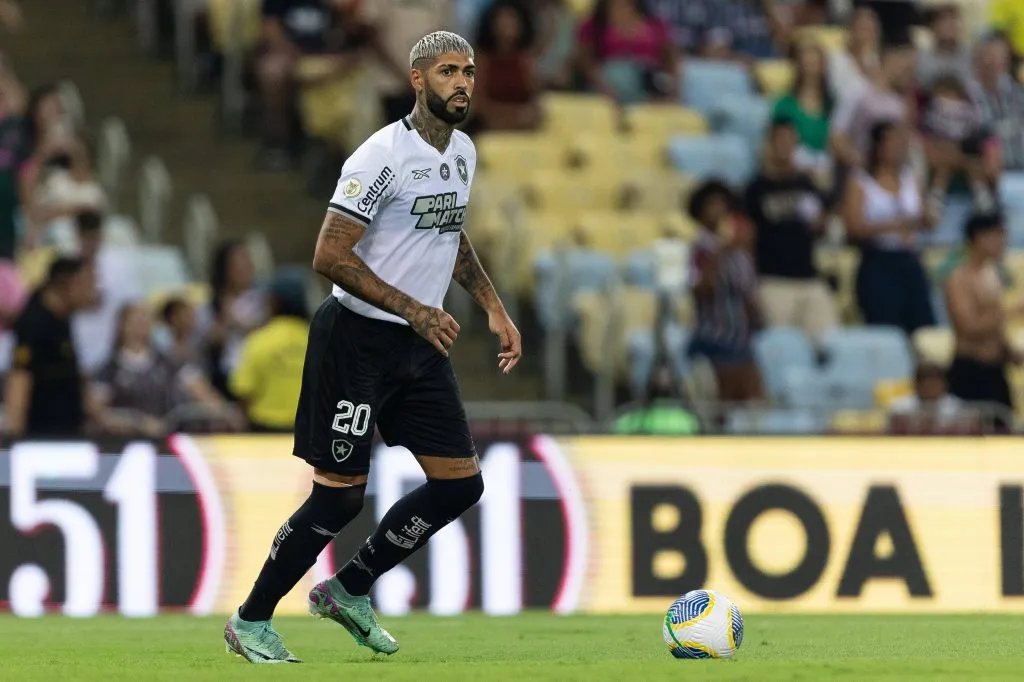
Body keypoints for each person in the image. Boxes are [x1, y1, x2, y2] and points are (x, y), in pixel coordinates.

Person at [223, 31, 522, 664]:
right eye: (447, 71)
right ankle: (251, 620)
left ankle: (350, 587)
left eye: (468, 71)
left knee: (460, 486)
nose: (462, 82)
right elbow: (329, 254)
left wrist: (494, 307)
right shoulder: (379, 157)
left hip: (417, 348)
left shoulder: (463, 152)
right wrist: (415, 307)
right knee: (339, 495)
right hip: (357, 342)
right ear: (418, 80)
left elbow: (452, 237)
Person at [745, 117, 837, 348]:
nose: (786, 146)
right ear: (770, 144)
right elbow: (747, 235)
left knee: (829, 344)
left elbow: (822, 224)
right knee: (780, 348)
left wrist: (822, 223)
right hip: (773, 280)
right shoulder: (756, 188)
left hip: (809, 278)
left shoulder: (806, 184)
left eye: (791, 141)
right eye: (781, 140)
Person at [843, 121, 936, 335]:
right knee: (886, 328)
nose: (898, 147)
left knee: (924, 329)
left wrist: (926, 219)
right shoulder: (861, 182)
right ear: (878, 147)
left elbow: (923, 216)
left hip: (909, 259)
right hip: (878, 261)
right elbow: (853, 228)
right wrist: (890, 225)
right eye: (892, 142)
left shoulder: (910, 179)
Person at [92, 302, 230, 438]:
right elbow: (97, 411)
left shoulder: (169, 363)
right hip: (124, 442)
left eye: (145, 319)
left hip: (167, 440)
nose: (141, 324)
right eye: (136, 320)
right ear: (122, 325)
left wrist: (223, 411)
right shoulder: (109, 369)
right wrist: (137, 423)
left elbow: (201, 390)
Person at [686, 179, 764, 405]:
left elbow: (749, 295)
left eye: (723, 205)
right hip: (714, 339)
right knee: (726, 400)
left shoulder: (740, 253)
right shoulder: (698, 249)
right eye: (711, 205)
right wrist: (720, 250)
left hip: (741, 340)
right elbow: (701, 289)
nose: (718, 211)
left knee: (756, 400)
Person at [4, 257, 97, 437]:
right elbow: (20, 379)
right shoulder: (34, 322)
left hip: (68, 432)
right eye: (88, 284)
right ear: (70, 284)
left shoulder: (63, 318)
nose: (92, 292)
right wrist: (12, 440)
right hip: (41, 436)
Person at [944, 213, 1021, 426]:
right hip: (970, 370)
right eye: (997, 236)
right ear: (979, 237)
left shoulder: (993, 275)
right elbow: (967, 327)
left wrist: (1009, 351)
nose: (1002, 243)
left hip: (996, 370)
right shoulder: (959, 279)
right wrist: (1010, 312)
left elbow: (995, 327)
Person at [229, 272, 310, 432]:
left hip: (264, 433)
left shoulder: (259, 341)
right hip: (309, 433)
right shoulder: (319, 342)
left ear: (274, 302)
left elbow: (244, 392)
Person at [577, 0, 679, 105]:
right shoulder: (595, 24)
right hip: (607, 89)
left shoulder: (656, 23)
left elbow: (671, 59)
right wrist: (602, 86)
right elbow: (586, 60)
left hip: (649, 92)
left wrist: (672, 91)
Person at [772, 39, 833, 187]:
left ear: (823, 67)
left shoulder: (833, 104)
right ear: (798, 66)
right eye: (806, 63)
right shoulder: (784, 105)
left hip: (829, 166)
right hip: (795, 167)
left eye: (814, 63)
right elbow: (776, 143)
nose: (810, 68)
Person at [471, 1, 541, 131]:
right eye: (502, 20)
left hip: (522, 125)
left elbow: (535, 99)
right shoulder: (482, 59)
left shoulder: (526, 60)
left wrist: (524, 116)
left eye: (511, 19)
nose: (506, 25)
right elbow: (478, 103)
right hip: (489, 125)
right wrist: (507, 116)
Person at [917, 4, 972, 89]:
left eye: (954, 19)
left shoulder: (972, 58)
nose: (950, 25)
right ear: (933, 27)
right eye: (944, 20)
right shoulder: (921, 61)